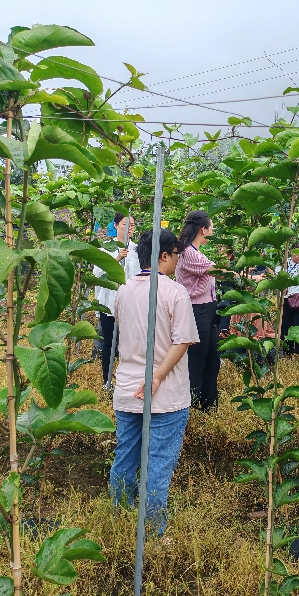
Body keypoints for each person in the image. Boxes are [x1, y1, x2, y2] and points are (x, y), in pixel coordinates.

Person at [109, 228, 199, 536]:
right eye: (176, 254)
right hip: (165, 396)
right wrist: (157, 378)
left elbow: (124, 333)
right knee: (158, 466)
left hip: (127, 391)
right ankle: (152, 533)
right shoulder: (174, 292)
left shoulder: (124, 291)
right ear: (163, 255)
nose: (177, 260)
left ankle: (118, 523)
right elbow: (182, 341)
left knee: (125, 459)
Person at [176, 210, 220, 410]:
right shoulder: (188, 253)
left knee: (212, 357)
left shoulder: (195, 251)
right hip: (196, 310)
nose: (213, 230)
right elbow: (218, 271)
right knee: (197, 359)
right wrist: (248, 277)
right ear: (204, 229)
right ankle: (191, 404)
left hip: (207, 309)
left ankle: (207, 403)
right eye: (212, 227)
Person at [94, 213, 140, 389]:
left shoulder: (136, 250)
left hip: (131, 304)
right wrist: (117, 258)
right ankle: (107, 381)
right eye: (125, 225)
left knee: (129, 344)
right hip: (110, 304)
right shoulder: (106, 248)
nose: (129, 229)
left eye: (132, 225)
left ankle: (127, 381)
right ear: (116, 225)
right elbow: (97, 274)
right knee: (109, 342)